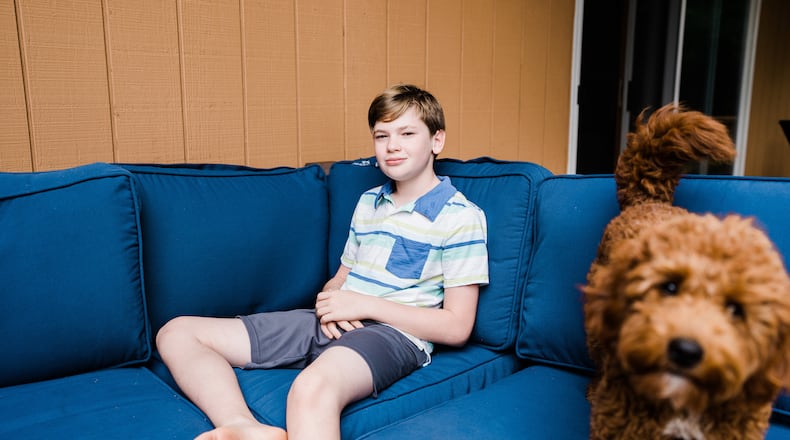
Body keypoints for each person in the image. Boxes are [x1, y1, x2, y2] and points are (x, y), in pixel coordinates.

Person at [156, 84, 489, 440]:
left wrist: (362, 305)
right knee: (177, 332)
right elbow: (342, 276)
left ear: (436, 141)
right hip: (335, 320)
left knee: (310, 388)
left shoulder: (461, 217)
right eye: (382, 135)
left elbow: (456, 327)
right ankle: (243, 426)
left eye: (407, 133)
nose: (392, 145)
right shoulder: (368, 203)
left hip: (396, 336)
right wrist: (331, 300)